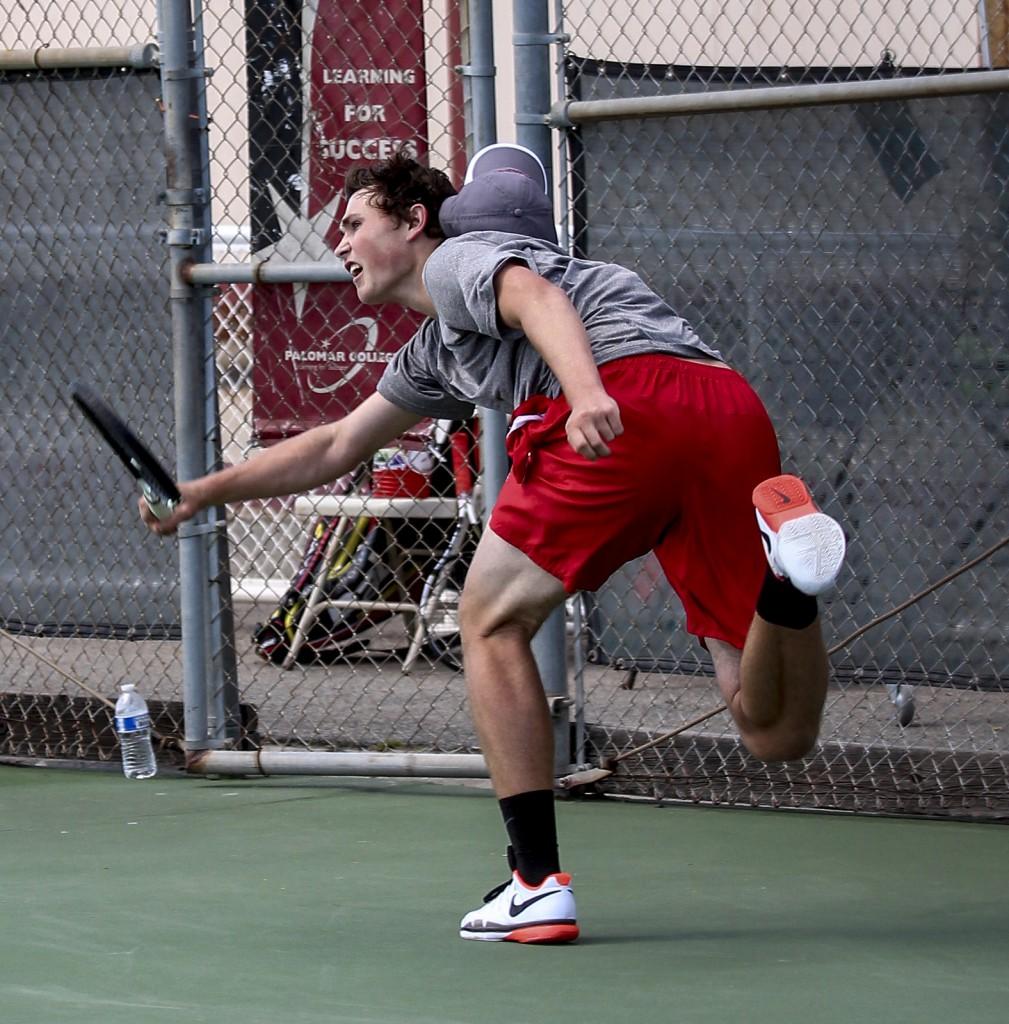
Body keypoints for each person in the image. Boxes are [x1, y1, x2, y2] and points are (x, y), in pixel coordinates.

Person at [142, 145, 846, 945]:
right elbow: (336, 444)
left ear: (414, 223)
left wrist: (583, 395)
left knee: (488, 618)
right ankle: (791, 574)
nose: (337, 243)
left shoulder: (457, 261)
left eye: (355, 222)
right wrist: (199, 493)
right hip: (724, 410)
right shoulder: (440, 347)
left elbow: (535, 297)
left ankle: (536, 882)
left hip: (623, 403)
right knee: (772, 728)